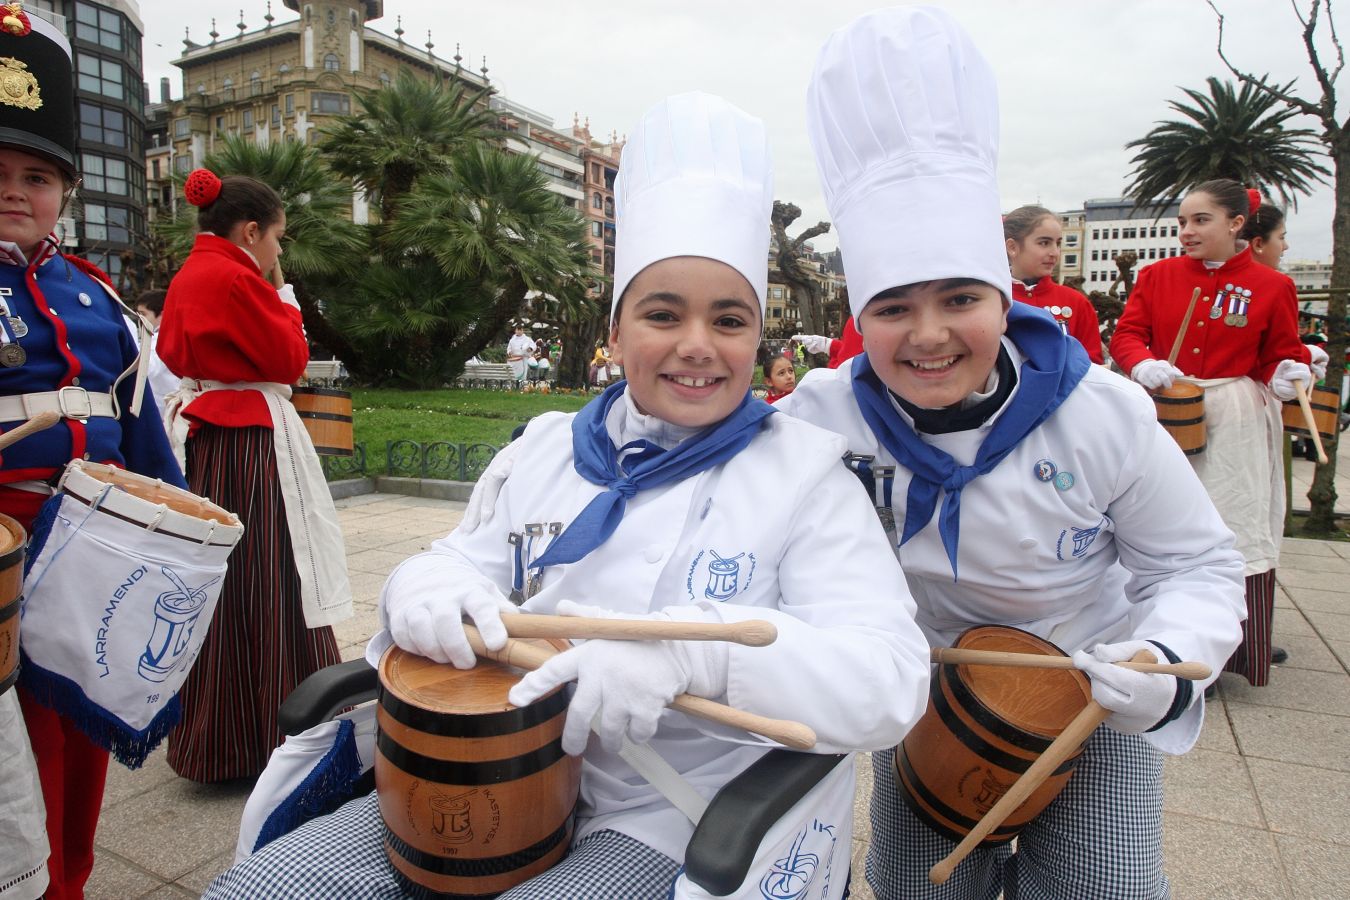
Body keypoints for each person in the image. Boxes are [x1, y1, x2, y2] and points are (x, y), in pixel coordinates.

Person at [205, 90, 931, 900]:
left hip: (664, 812)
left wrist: (694, 651)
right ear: (615, 334)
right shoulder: (547, 446)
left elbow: (891, 679)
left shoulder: (805, 476)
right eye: (663, 314)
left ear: (756, 339)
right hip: (485, 769)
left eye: (729, 321)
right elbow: (462, 561)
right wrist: (429, 587)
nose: (698, 346)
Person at [780, 9, 1246, 898]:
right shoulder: (819, 416)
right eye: (891, 309)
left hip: (1090, 695)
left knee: (1101, 888)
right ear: (856, 318)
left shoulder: (1100, 413)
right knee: (920, 890)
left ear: (1003, 297)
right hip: (929, 700)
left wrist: (1160, 658)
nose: (928, 336)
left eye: (960, 298)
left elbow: (1196, 563)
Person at [0, 14, 183, 900]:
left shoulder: (97, 299)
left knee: (78, 757)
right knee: (11, 776)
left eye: (35, 176)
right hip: (0, 567)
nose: (14, 192)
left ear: (64, 191)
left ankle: (68, 883)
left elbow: (143, 430)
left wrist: (182, 545)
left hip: (91, 566)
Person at [158, 168, 353, 783]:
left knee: (222, 585)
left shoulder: (191, 274)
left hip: (207, 436)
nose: (278, 250)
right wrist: (282, 295)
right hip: (251, 444)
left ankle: (216, 737)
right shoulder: (238, 278)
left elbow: (166, 350)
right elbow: (290, 359)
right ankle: (273, 737)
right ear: (250, 232)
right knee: (272, 580)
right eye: (277, 237)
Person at [1111, 181, 1319, 691]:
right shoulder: (1156, 276)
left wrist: (1287, 374)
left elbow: (1278, 356)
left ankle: (1236, 651)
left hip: (1236, 418)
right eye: (1183, 221)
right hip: (1168, 405)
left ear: (1235, 223)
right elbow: (1127, 335)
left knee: (1235, 521)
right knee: (1151, 518)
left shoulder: (1274, 286)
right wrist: (1143, 364)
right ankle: (1149, 637)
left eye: (1200, 220)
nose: (1187, 231)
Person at [1004, 204, 1104, 363]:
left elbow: (1092, 365)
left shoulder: (1076, 302)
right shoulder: (995, 298)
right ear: (1012, 247)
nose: (1054, 253)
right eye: (1044, 243)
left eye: (1058, 243)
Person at [133, 289, 181, 430]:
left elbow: (146, 369)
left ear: (162, 314)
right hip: (165, 411)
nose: (139, 319)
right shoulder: (164, 336)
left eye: (143, 314)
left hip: (163, 414)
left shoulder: (160, 339)